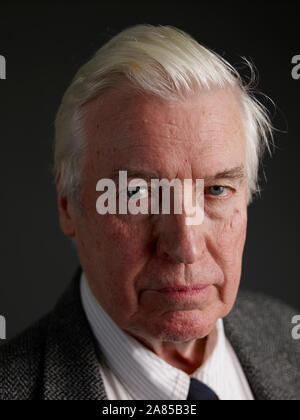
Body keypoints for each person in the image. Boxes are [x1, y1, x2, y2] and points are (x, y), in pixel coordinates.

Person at [0, 24, 299, 400]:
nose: (186, 246)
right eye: (138, 194)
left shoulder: (288, 342)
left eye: (216, 190)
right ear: (68, 205)